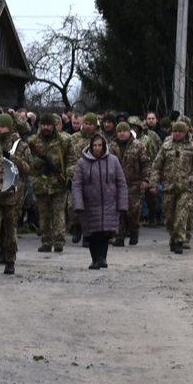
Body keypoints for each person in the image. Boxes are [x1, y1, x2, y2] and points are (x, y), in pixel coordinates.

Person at [71, 132, 126, 270]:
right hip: (90, 204)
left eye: (99, 145)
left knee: (105, 234)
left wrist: (122, 203)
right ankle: (94, 259)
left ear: (104, 146)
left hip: (109, 204)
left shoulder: (113, 161)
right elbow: (76, 184)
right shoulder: (82, 163)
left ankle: (102, 258)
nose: (97, 148)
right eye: (94, 145)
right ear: (90, 146)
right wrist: (78, 203)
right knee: (92, 234)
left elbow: (121, 183)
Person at [152, 120, 193, 254]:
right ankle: (173, 236)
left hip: (186, 187)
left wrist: (191, 179)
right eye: (175, 131)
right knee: (169, 217)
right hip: (169, 186)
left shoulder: (192, 147)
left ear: (185, 132)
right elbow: (157, 166)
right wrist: (153, 182)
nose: (177, 133)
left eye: (180, 131)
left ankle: (179, 241)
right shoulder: (166, 147)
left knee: (181, 215)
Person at [0, 112, 28, 274]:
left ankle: (10, 259)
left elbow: (27, 169)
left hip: (12, 195)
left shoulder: (21, 146)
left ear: (10, 127)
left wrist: (12, 157)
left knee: (10, 230)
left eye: (2, 126)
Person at [26, 114, 71, 253]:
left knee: (58, 214)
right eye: (43, 125)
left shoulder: (63, 140)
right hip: (40, 183)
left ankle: (58, 241)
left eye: (49, 125)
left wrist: (69, 174)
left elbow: (71, 159)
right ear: (39, 126)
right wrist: (34, 163)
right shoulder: (32, 141)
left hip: (58, 183)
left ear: (53, 126)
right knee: (43, 214)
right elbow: (26, 160)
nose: (46, 128)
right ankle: (46, 241)